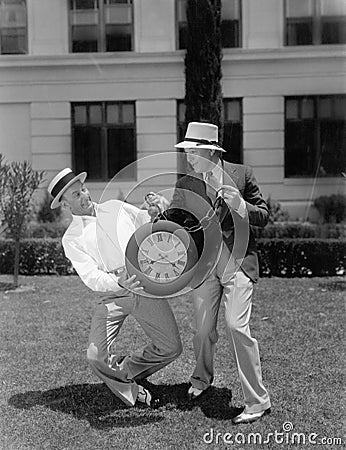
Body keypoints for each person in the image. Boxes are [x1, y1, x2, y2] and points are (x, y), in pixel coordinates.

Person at [47, 168, 182, 408]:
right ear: (65, 205)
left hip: (142, 284)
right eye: (76, 195)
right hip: (112, 295)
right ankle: (133, 391)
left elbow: (145, 221)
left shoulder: (116, 207)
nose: (85, 196)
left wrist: (154, 211)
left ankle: (125, 368)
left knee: (171, 348)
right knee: (95, 356)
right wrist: (117, 282)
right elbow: (90, 276)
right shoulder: (72, 238)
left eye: (84, 190)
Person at [171, 122, 271, 424]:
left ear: (209, 152)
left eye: (192, 151)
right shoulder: (186, 182)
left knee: (236, 326)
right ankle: (201, 380)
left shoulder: (242, 174)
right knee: (202, 330)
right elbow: (176, 219)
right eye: (187, 152)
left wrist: (241, 205)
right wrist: (161, 210)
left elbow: (264, 216)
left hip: (237, 263)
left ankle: (257, 401)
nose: (188, 157)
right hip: (205, 265)